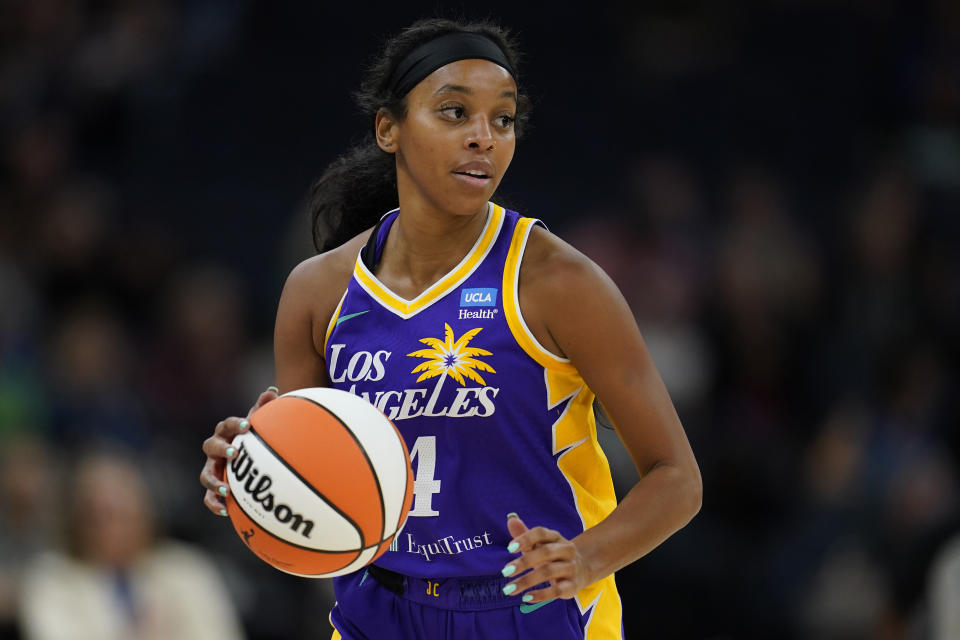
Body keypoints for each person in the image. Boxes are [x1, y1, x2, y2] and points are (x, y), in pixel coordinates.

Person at [200, 17, 702, 640]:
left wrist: (587, 558)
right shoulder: (317, 291)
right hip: (376, 609)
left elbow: (678, 480)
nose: (483, 138)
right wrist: (250, 471)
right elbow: (308, 468)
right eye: (454, 112)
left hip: (532, 606)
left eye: (502, 119)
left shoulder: (558, 282)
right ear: (389, 129)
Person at [21, 451, 244, 640]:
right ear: (77, 519)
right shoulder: (51, 580)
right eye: (100, 515)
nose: (113, 528)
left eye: (124, 514)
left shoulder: (187, 569)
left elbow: (218, 633)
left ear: (146, 513)